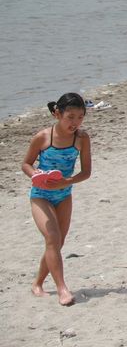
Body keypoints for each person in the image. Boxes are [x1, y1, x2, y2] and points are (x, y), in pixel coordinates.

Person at [22, 92, 92, 305]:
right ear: (57, 114)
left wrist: (66, 182)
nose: (75, 122)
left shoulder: (81, 138)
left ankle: (37, 284)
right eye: (70, 117)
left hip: (64, 195)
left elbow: (86, 172)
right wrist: (36, 175)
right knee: (52, 238)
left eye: (80, 117)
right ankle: (62, 289)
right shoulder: (43, 137)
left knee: (57, 243)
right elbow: (26, 164)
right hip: (41, 195)